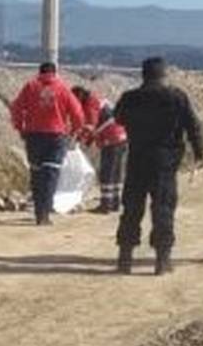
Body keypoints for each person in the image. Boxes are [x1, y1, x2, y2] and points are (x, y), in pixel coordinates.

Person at [113, 57, 203, 276]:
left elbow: (118, 118)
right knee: (163, 208)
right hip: (165, 161)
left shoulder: (130, 97)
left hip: (137, 158)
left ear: (143, 75)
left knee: (132, 208)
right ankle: (162, 260)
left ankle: (125, 258)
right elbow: (193, 126)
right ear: (164, 75)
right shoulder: (176, 97)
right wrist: (199, 152)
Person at [10, 62, 86, 226]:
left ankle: (39, 212)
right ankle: (45, 212)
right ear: (55, 72)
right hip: (56, 136)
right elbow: (77, 112)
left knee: (36, 174)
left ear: (40, 72)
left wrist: (20, 127)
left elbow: (16, 108)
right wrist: (75, 130)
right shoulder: (63, 88)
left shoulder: (30, 87)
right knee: (50, 175)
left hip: (34, 136)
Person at [72, 86, 129, 214]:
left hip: (111, 138)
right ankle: (114, 202)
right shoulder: (98, 99)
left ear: (80, 95)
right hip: (121, 136)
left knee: (107, 171)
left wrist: (80, 140)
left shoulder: (91, 103)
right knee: (115, 171)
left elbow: (91, 125)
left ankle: (106, 205)